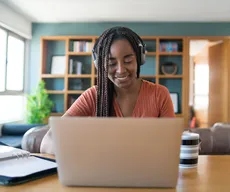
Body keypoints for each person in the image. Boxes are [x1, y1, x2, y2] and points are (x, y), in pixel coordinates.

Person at [40, 26, 175, 154]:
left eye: (128, 61)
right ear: (100, 65)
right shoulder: (93, 96)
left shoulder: (159, 94)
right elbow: (48, 142)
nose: (121, 70)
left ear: (140, 59)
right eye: (111, 63)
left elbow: (173, 146)